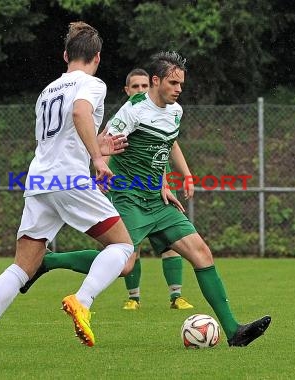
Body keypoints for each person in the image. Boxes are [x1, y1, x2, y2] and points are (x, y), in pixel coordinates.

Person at [21, 51, 272, 347]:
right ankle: (47, 262)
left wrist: (173, 180)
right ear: (156, 81)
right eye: (173, 82)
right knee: (124, 265)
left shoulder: (176, 111)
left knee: (202, 253)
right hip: (129, 197)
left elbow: (164, 146)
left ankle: (234, 331)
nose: (179, 88)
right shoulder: (133, 110)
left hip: (158, 199)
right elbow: (102, 144)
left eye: (181, 83)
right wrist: (100, 171)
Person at [0, 21, 135, 366]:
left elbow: (61, 138)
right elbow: (80, 112)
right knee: (124, 250)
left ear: (66, 54)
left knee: (23, 266)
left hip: (40, 179)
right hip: (69, 179)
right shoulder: (92, 84)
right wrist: (99, 158)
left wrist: (96, 147)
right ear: (97, 58)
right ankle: (82, 301)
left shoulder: (48, 90)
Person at [120, 68, 195, 310]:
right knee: (130, 250)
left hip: (156, 188)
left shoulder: (168, 112)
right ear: (127, 91)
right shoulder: (130, 115)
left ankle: (176, 295)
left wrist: (179, 178)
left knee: (170, 243)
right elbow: (112, 149)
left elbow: (164, 147)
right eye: (136, 87)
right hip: (130, 190)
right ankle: (134, 297)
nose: (141, 91)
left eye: (144, 86)